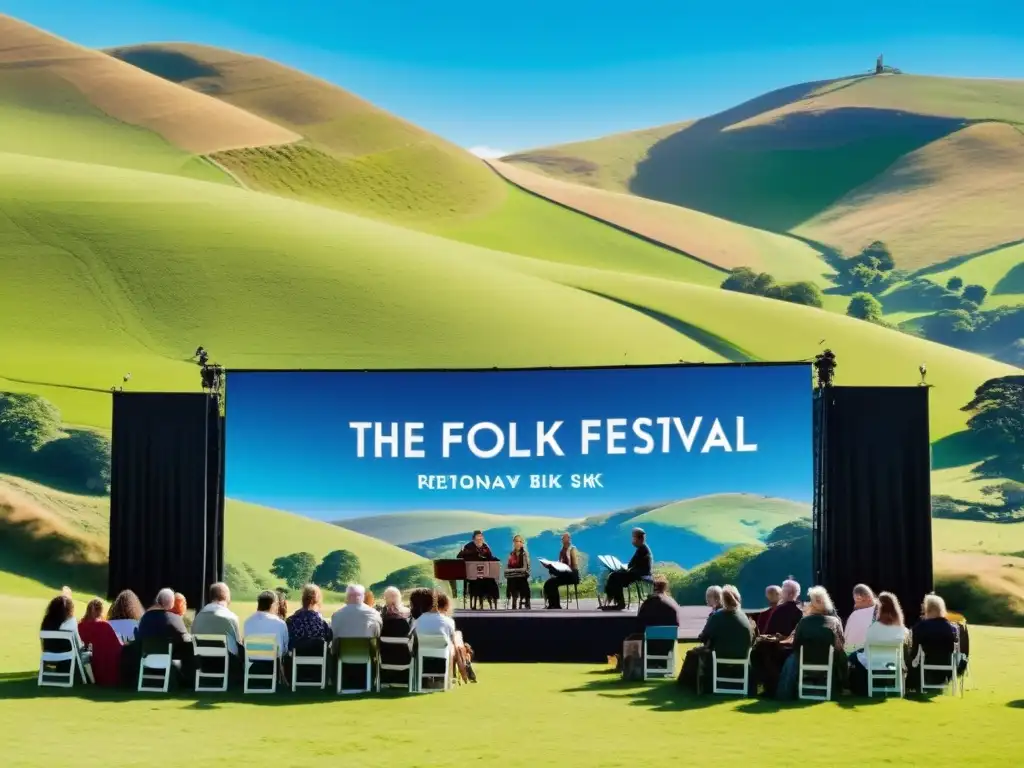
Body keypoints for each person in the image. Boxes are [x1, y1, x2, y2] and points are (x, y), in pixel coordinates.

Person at [777, 586, 846, 699]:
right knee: (841, 656)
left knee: (791, 658)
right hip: (828, 660)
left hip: (805, 660)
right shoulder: (835, 621)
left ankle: (784, 693)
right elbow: (840, 644)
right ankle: (843, 687)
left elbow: (796, 644)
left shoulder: (803, 622)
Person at [849, 591, 907, 695]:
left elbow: (867, 651)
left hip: (875, 663)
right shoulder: (901, 629)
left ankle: (855, 688)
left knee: (853, 656)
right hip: (892, 664)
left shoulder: (874, 628)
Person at [136, 588, 194, 684]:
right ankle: (188, 681)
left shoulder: (145, 618)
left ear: (158, 600)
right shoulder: (174, 618)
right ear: (172, 603)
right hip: (168, 658)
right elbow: (185, 638)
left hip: (147, 658)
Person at [909, 593, 960, 691]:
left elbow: (914, 652)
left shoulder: (921, 627)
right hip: (946, 668)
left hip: (927, 668)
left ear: (928, 609)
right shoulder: (952, 628)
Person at [603, 528, 653, 610]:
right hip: (638, 572)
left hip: (639, 574)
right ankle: (615, 599)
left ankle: (618, 602)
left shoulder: (642, 550)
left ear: (638, 538)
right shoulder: (642, 548)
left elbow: (631, 564)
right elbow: (633, 564)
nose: (633, 541)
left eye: (633, 538)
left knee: (615, 576)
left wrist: (624, 568)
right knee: (615, 575)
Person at [457, 530, 499, 609]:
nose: (480, 539)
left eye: (481, 537)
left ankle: (492, 601)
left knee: (492, 581)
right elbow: (460, 557)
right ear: (474, 538)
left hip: (485, 572)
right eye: (478, 537)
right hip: (472, 572)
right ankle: (476, 603)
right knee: (477, 581)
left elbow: (490, 558)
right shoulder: (468, 546)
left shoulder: (485, 547)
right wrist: (471, 554)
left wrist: (495, 560)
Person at [243, 590, 290, 657]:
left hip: (252, 665)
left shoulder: (247, 622)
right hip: (274, 665)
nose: (277, 607)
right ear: (273, 605)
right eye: (277, 604)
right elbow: (284, 649)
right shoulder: (280, 624)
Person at [543, 532, 580, 609]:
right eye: (562, 539)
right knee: (549, 583)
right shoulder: (561, 551)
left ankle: (556, 605)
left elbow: (575, 565)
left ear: (569, 539)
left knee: (552, 582)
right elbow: (560, 563)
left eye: (565, 538)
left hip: (571, 575)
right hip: (564, 574)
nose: (563, 540)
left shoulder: (572, 549)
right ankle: (552, 604)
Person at [844, 583, 877, 653]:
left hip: (855, 657)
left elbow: (846, 643)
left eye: (858, 601)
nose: (855, 605)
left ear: (868, 598)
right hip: (878, 658)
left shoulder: (854, 615)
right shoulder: (884, 610)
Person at [506, 534, 531, 609]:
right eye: (516, 541)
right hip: (513, 576)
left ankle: (525, 602)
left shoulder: (524, 553)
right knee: (510, 580)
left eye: (519, 541)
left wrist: (513, 570)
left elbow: (524, 568)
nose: (517, 543)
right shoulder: (511, 554)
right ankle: (514, 601)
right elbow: (508, 567)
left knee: (520, 581)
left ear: (522, 543)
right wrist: (508, 571)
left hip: (522, 576)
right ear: (513, 543)